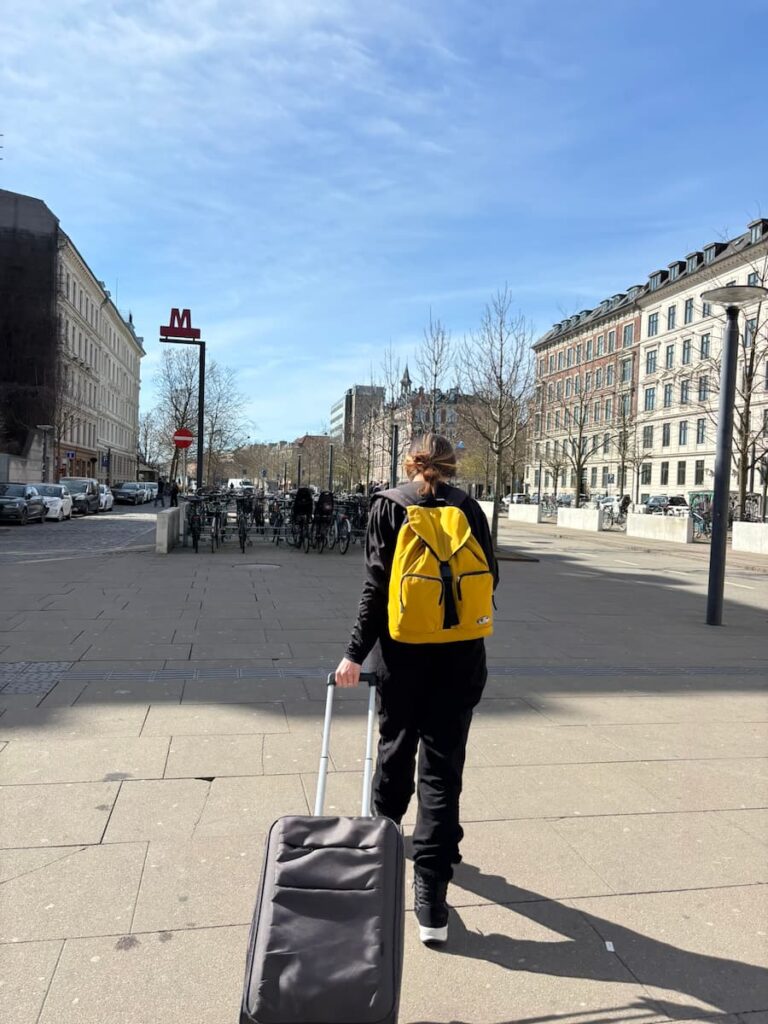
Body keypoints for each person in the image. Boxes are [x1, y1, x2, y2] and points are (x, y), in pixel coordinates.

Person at [335, 433, 498, 946]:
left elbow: (376, 588)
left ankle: (382, 853)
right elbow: (488, 579)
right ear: (452, 464)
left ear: (410, 463)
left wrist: (354, 654)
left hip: (403, 657)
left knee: (396, 750)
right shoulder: (470, 508)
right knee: (442, 772)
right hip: (462, 656)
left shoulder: (388, 506)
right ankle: (431, 900)